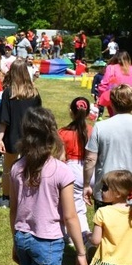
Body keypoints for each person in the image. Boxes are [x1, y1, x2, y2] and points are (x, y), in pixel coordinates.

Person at [8, 107, 88, 265]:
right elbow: (70, 217)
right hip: (47, 244)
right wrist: (82, 253)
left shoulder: (16, 168)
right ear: (52, 133)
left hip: (23, 238)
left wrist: (15, 240)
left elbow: (14, 210)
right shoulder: (61, 170)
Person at [0, 59, 42, 208]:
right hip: (31, 135)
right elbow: (39, 117)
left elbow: (4, 118)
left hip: (12, 135)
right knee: (29, 168)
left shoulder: (8, 93)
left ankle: (6, 198)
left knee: (8, 168)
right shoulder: (34, 93)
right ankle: (27, 198)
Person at [83, 84, 132, 211]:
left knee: (104, 228)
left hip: (106, 190)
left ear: (112, 103)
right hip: (129, 190)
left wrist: (87, 184)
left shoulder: (101, 126)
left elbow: (90, 159)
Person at [57, 97, 92, 243]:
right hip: (91, 169)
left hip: (72, 169)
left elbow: (60, 157)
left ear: (71, 112)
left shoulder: (63, 132)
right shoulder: (92, 130)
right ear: (88, 113)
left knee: (75, 207)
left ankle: (83, 237)